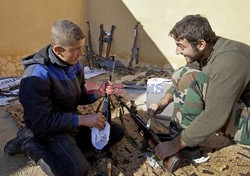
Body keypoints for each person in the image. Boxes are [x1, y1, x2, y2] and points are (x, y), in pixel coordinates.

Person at [4, 19, 124, 176]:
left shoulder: (74, 65)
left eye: (81, 47)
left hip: (69, 122)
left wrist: (99, 91)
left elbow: (79, 96)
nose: (81, 54)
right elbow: (41, 122)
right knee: (76, 171)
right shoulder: (36, 76)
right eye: (76, 49)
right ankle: (29, 144)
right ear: (58, 49)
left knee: (115, 132)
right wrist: (82, 120)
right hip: (48, 129)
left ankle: (68, 149)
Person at [148, 14, 250, 162]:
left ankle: (186, 144)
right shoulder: (207, 50)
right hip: (239, 108)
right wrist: (162, 103)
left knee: (193, 79)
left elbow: (215, 115)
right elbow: (182, 78)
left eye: (181, 47)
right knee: (182, 73)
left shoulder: (229, 61)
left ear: (201, 44)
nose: (177, 51)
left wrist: (175, 145)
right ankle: (181, 133)